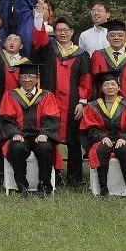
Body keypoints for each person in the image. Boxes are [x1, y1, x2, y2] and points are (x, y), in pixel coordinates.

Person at [30, 10, 91, 187]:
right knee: (50, 138)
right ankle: (53, 175)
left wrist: (82, 102)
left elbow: (86, 80)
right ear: (54, 32)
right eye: (58, 30)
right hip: (50, 103)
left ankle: (75, 178)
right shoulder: (48, 49)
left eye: (65, 30)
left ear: (72, 32)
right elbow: (39, 37)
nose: (62, 33)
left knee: (74, 141)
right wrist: (39, 15)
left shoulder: (81, 54)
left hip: (73, 103)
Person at [80, 71, 126, 197]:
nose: (110, 87)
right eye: (106, 84)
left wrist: (125, 138)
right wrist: (101, 137)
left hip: (124, 139)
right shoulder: (93, 106)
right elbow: (88, 127)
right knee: (102, 149)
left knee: (123, 149)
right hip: (102, 139)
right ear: (101, 88)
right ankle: (103, 187)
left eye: (113, 84)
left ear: (119, 87)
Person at [0, 62, 61, 198]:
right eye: (24, 76)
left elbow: (51, 116)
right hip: (20, 136)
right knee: (17, 147)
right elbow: (6, 118)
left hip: (40, 136)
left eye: (31, 77)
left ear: (37, 79)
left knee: (45, 148)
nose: (27, 80)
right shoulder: (10, 95)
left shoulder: (46, 95)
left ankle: (44, 186)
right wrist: (14, 133)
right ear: (19, 78)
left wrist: (45, 133)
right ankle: (22, 186)